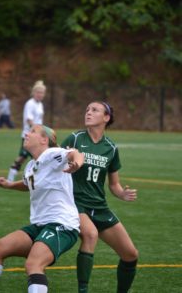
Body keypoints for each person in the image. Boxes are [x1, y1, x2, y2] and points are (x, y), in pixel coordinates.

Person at [0, 124, 84, 293]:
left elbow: (76, 154)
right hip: (39, 225)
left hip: (62, 225)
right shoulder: (31, 166)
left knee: (33, 264)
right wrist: (9, 185)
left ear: (44, 140)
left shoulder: (52, 154)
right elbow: (28, 184)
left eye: (32, 131)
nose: (27, 133)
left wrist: (77, 164)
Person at [61, 101, 138, 293]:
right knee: (90, 234)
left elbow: (113, 184)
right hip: (75, 203)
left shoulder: (111, 147)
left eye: (94, 110)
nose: (88, 112)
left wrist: (122, 193)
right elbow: (53, 163)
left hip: (99, 206)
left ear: (106, 118)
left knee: (130, 254)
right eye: (87, 109)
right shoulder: (75, 138)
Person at [7, 80, 46, 181]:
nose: (40, 94)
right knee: (22, 157)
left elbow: (39, 120)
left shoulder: (40, 104)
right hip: (28, 136)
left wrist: (42, 131)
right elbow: (29, 120)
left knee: (40, 156)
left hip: (38, 136)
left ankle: (37, 178)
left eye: (42, 93)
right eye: (38, 92)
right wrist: (37, 129)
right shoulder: (30, 104)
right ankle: (10, 178)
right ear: (34, 93)